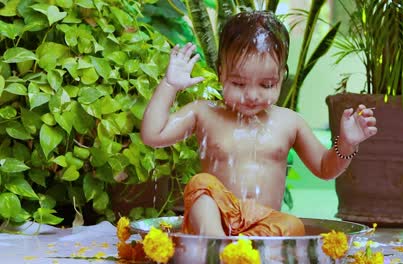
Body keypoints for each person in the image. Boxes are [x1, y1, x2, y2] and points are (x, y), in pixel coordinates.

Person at [141, 11, 377, 237]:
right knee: (201, 184)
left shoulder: (289, 122)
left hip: (262, 224)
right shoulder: (204, 113)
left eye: (266, 85)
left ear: (281, 77)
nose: (252, 95)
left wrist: (346, 144)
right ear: (221, 72)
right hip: (215, 223)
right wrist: (170, 85)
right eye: (239, 83)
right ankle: (216, 245)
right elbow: (153, 134)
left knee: (293, 225)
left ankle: (241, 249)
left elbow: (325, 168)